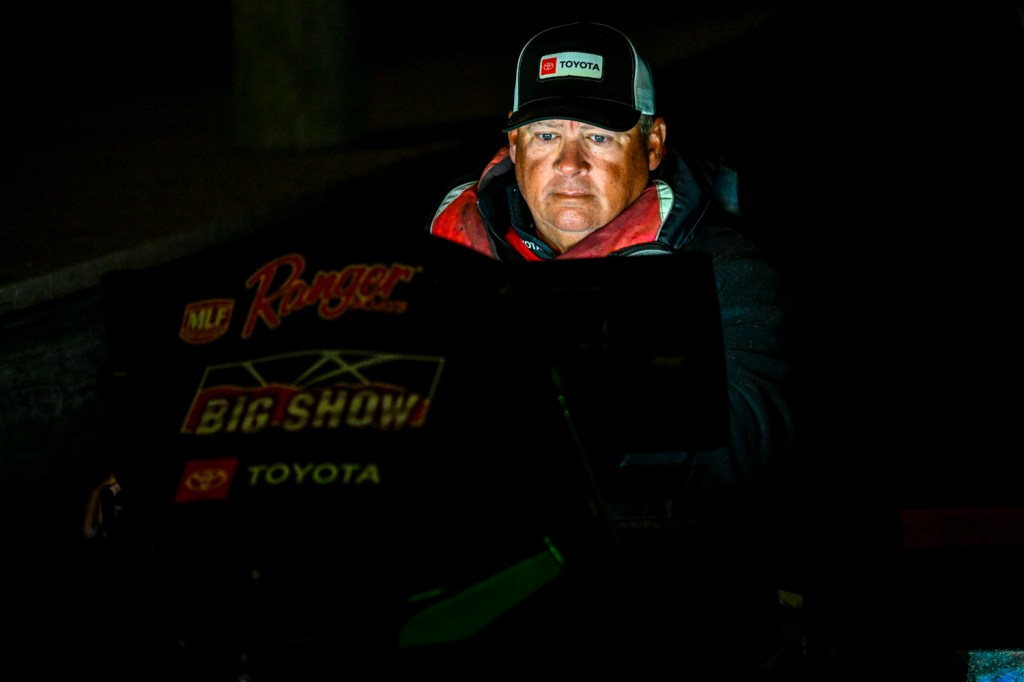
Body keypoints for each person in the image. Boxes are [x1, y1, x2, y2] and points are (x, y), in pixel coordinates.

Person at [427, 20, 795, 520]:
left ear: (653, 144)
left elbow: (751, 435)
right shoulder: (441, 253)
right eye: (547, 135)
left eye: (599, 137)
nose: (569, 163)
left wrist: (557, 424)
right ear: (514, 144)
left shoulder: (726, 271)